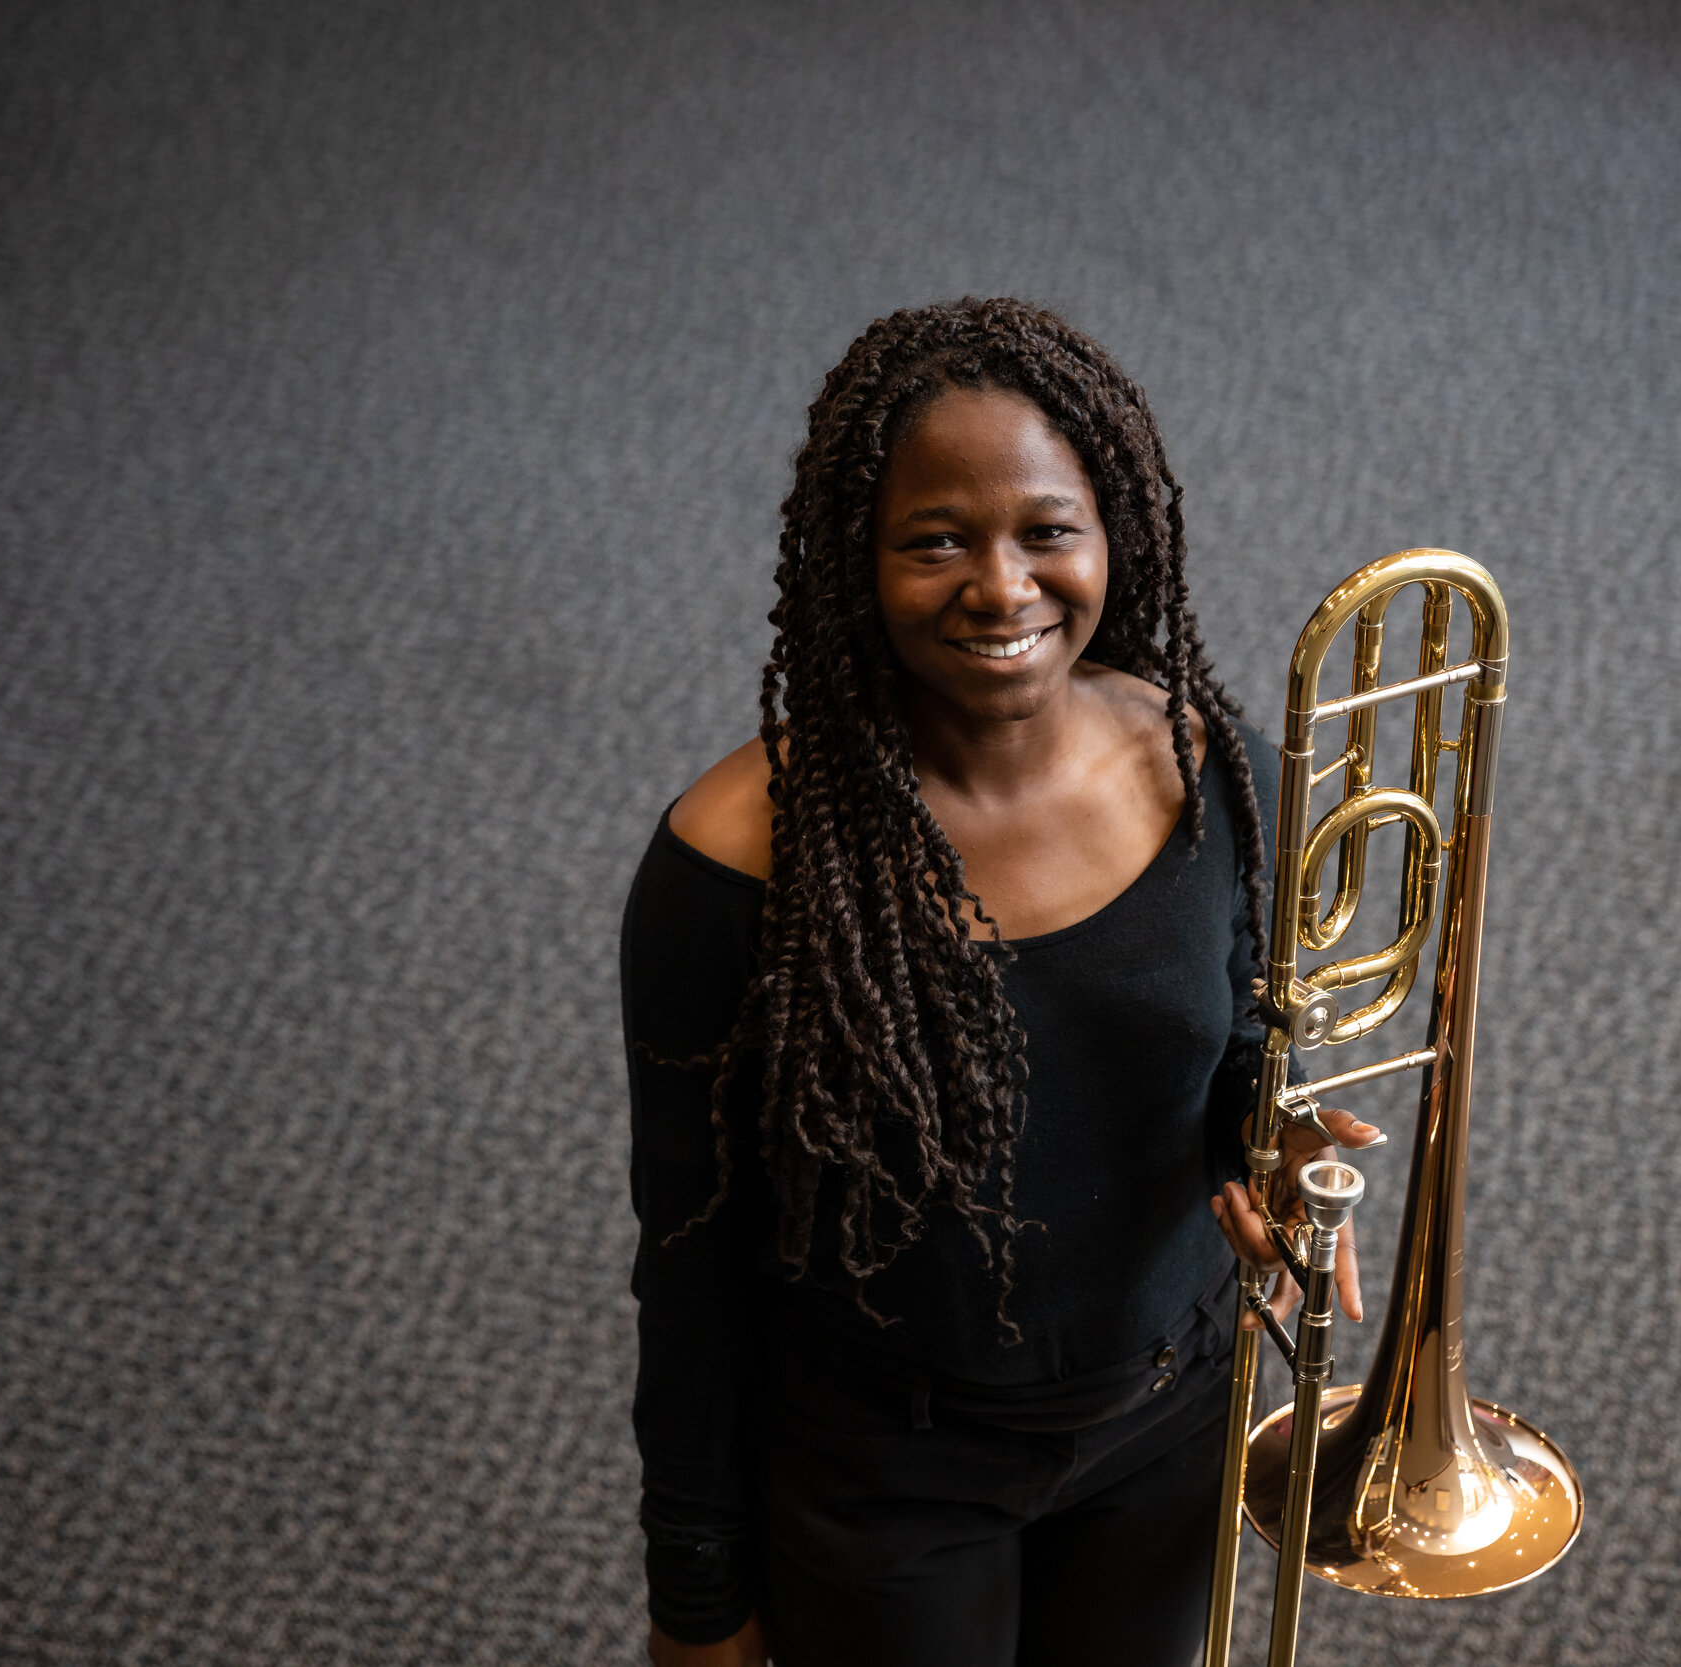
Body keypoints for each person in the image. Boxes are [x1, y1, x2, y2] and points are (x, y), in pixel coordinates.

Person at [620, 298, 1380, 1667]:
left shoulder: (1212, 777)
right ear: (856, 563)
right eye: (935, 541)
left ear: (1113, 537)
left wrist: (1270, 1134)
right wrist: (698, 1591)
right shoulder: (730, 873)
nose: (1002, 587)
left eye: (1047, 531)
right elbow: (691, 1270)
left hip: (1172, 1422)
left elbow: (1218, 1053)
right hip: (892, 1477)